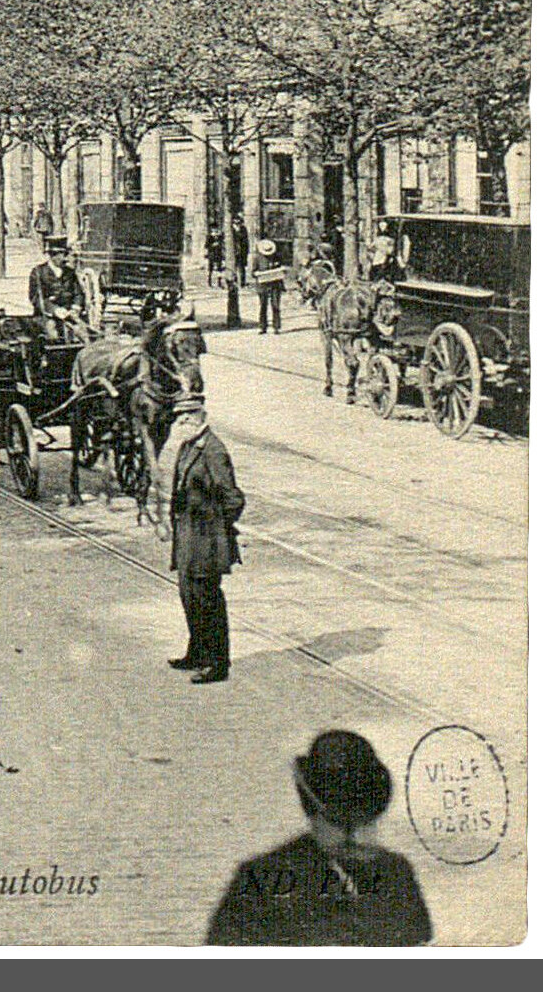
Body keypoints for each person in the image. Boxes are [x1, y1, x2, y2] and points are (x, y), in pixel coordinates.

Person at [207, 731, 432, 945]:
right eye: (337, 821)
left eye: (365, 820)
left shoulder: (397, 874)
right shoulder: (260, 879)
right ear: (311, 811)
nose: (353, 834)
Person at [161, 393, 244, 684]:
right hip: (188, 538)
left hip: (206, 541)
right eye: (179, 416)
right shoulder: (187, 446)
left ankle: (217, 663)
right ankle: (196, 652)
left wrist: (216, 530)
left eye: (188, 415)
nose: (182, 421)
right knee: (189, 595)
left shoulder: (213, 450)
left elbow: (233, 499)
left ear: (200, 416)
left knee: (208, 599)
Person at [28, 236, 87, 338]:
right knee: (52, 333)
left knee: (82, 331)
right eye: (61, 255)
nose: (65, 259)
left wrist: (75, 308)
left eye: (65, 254)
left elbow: (78, 293)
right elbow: (35, 298)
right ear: (52, 256)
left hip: (69, 314)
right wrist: (55, 310)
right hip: (46, 316)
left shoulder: (70, 272)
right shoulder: (38, 272)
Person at [252, 239, 286, 335]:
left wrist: (281, 270)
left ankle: (276, 327)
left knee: (275, 305)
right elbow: (253, 272)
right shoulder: (257, 258)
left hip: (275, 284)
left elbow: (281, 268)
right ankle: (262, 326)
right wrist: (257, 274)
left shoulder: (277, 257)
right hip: (263, 285)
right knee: (263, 306)